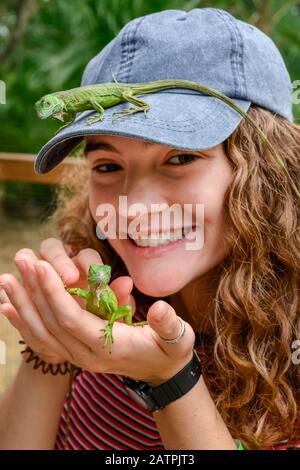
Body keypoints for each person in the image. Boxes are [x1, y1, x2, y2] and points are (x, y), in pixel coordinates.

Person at [0, 7, 299, 451]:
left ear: (263, 175)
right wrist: (54, 348)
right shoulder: (103, 285)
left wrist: (170, 379)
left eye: (180, 157)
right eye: (106, 164)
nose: (134, 209)